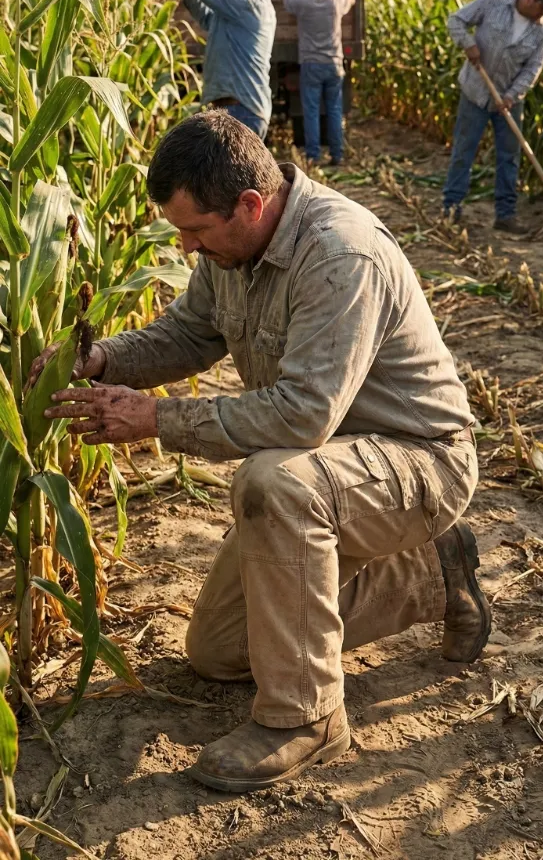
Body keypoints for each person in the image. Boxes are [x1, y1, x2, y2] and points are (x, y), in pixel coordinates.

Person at [34, 111, 490, 793]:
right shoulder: (232, 251)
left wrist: (155, 419)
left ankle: (306, 718)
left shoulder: (339, 254)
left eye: (195, 230)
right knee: (218, 653)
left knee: (274, 482)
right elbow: (189, 335)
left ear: (251, 204)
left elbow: (303, 416)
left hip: (417, 464)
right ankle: (429, 575)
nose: (186, 247)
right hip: (336, 469)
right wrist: (100, 360)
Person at [147, 0, 276, 140]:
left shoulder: (247, 1)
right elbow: (208, 18)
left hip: (241, 113)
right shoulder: (243, 7)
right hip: (237, 111)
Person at [443, 0, 543, 234]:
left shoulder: (542, 31)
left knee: (509, 158)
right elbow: (455, 20)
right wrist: (468, 44)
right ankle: (451, 208)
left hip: (509, 102)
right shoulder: (493, 3)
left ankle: (505, 214)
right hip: (476, 92)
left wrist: (513, 95)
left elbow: (533, 68)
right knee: (464, 151)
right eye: (542, 7)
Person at [281, 0, 355, 167]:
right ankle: (336, 155)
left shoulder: (302, 4)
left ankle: (313, 156)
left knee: (311, 111)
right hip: (334, 64)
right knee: (334, 109)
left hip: (311, 65)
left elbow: (285, 0)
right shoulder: (335, 1)